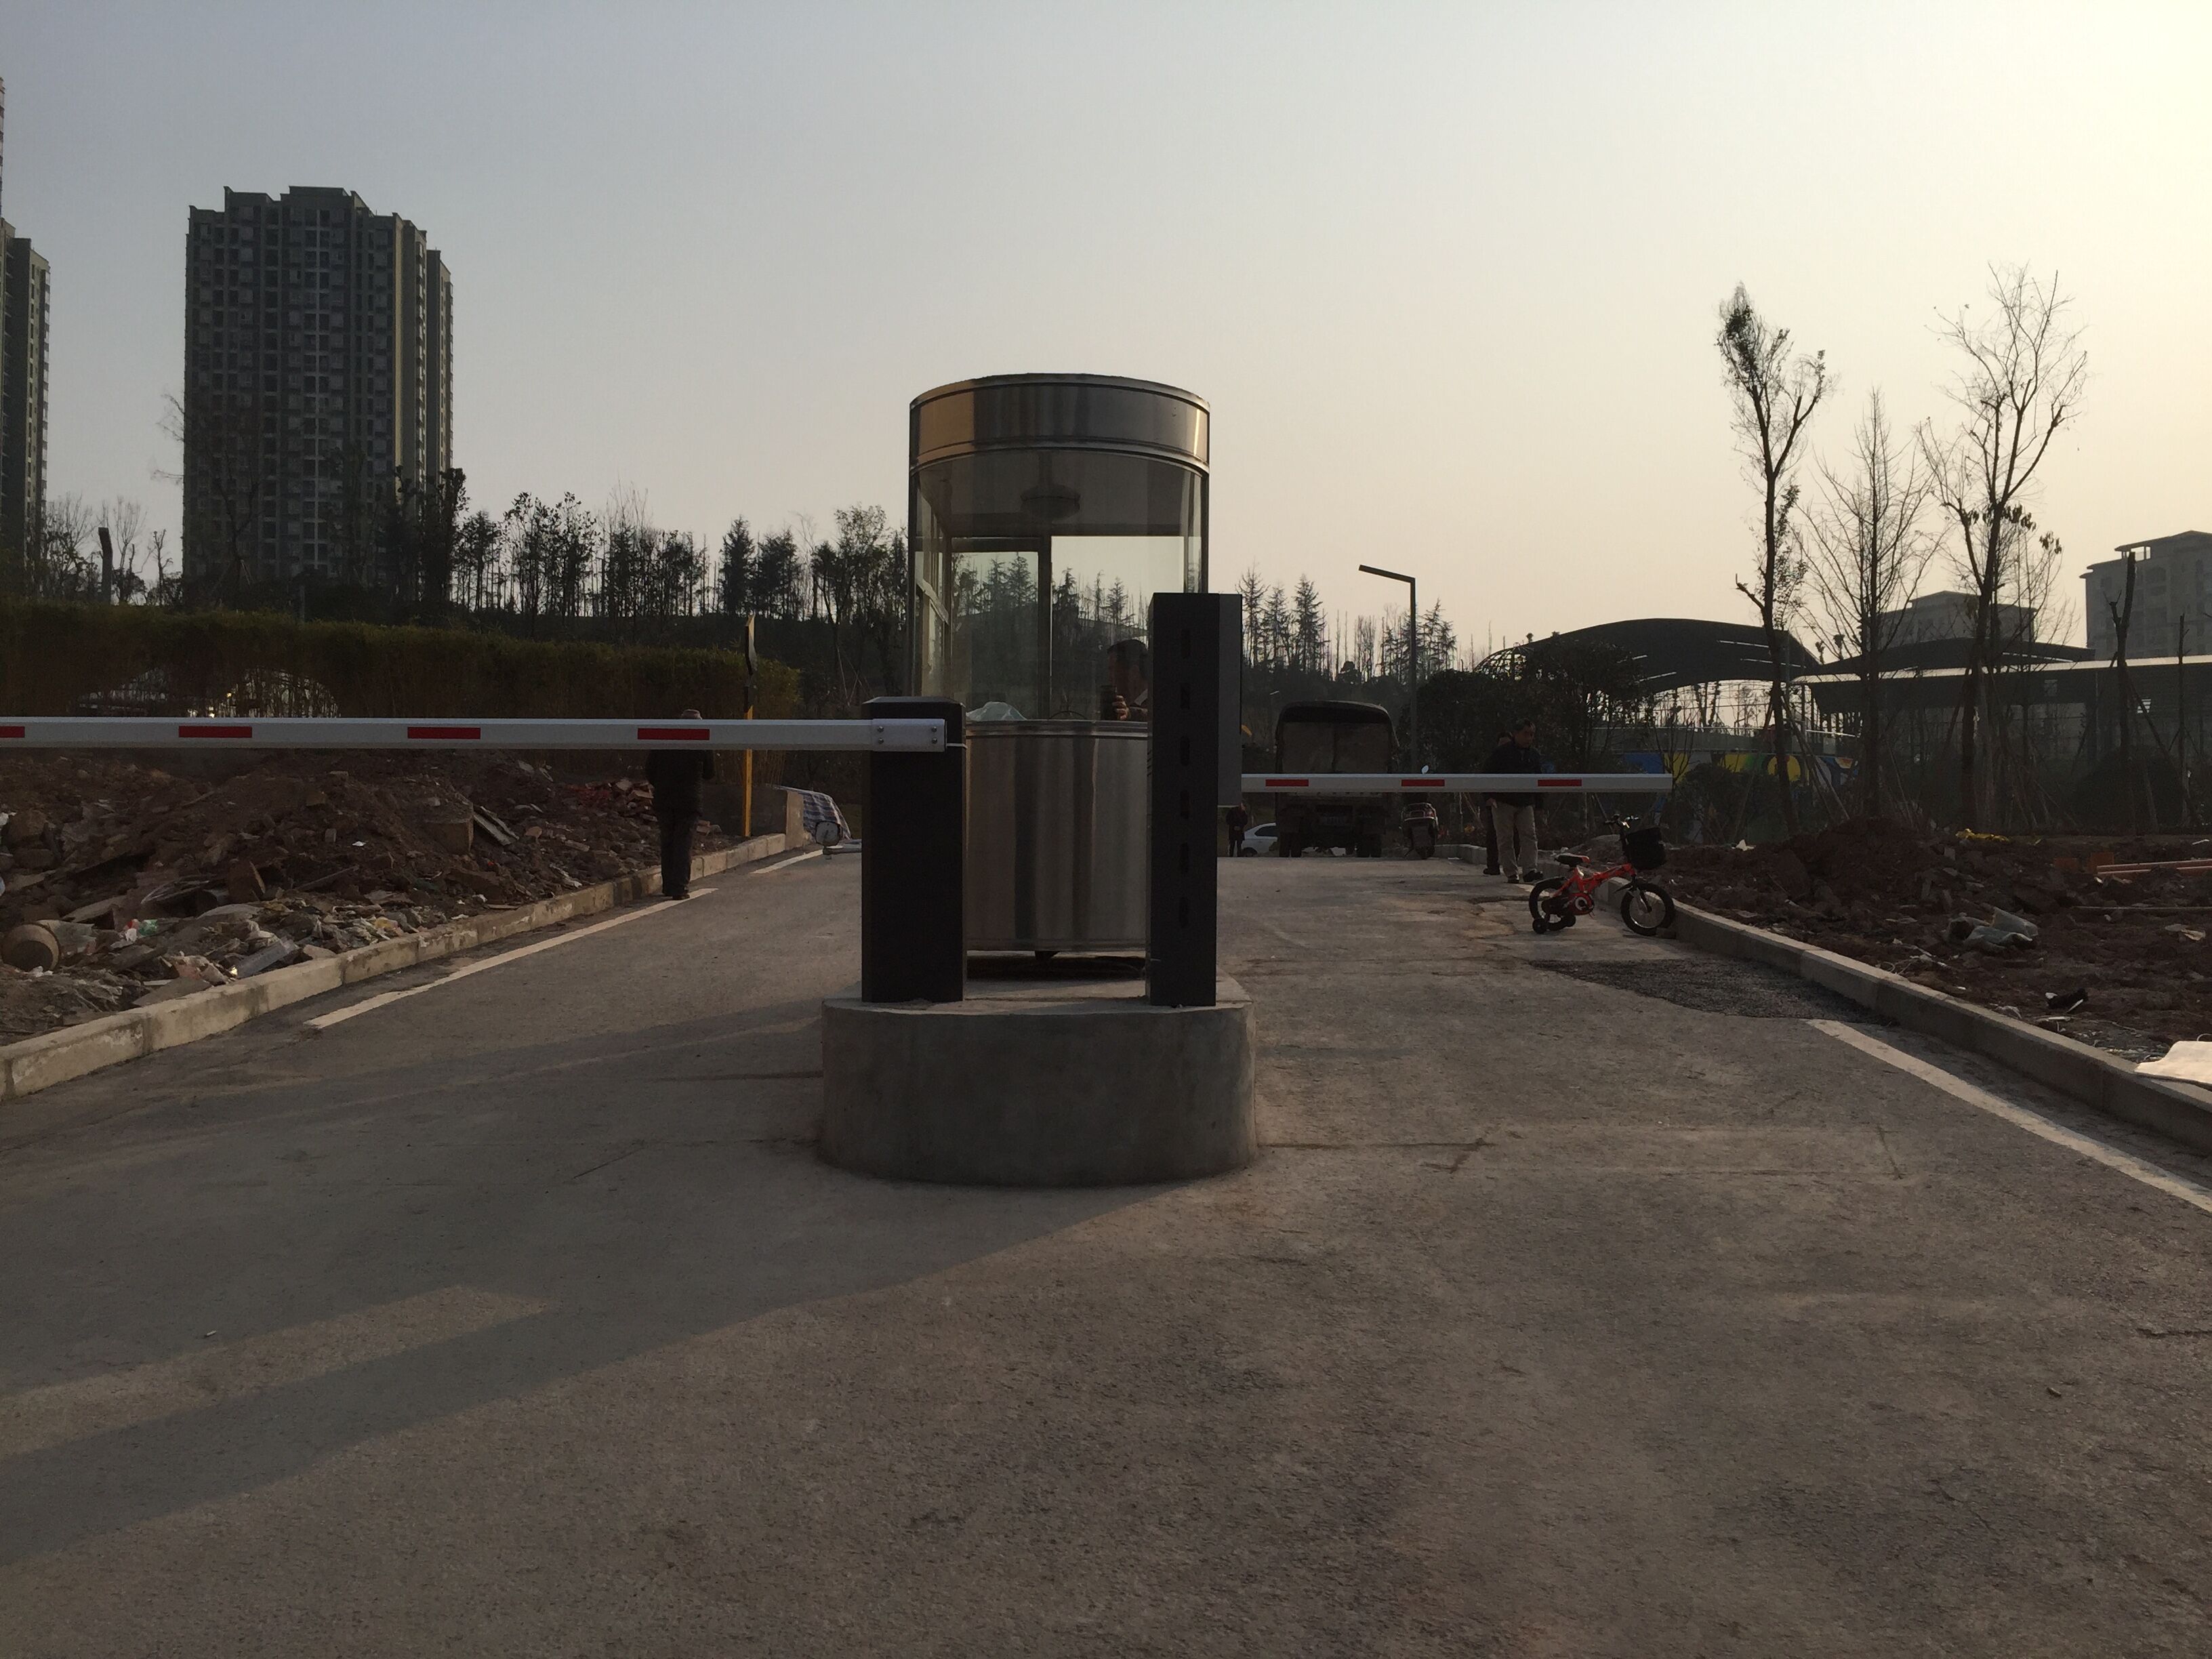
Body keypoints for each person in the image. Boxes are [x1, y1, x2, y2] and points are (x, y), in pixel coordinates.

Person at [646, 708, 716, 899]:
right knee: (683, 843)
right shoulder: (702, 742)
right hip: (689, 800)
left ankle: (668, 885)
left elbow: (650, 770)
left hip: (664, 799)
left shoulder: (664, 740)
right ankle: (679, 887)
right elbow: (709, 773)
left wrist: (662, 784)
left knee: (667, 841)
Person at [1482, 718, 1545, 883]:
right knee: (1505, 838)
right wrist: (1488, 797)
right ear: (1516, 734)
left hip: (1525, 803)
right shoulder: (1501, 753)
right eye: (1526, 734)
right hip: (1503, 802)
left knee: (1530, 836)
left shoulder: (1534, 755)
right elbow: (1486, 774)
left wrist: (1540, 806)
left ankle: (1530, 870)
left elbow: (1540, 781)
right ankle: (1511, 872)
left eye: (1532, 735)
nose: (1529, 738)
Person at [1100, 638, 1151, 721]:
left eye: (1113, 670)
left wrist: (1130, 714)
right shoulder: (1125, 704)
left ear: (1134, 673)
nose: (1110, 677)